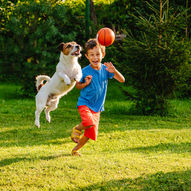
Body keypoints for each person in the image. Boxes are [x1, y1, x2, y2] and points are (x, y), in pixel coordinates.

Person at [71, 38, 125, 156]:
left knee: (90, 134)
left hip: (97, 107)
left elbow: (122, 80)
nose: (95, 58)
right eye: (92, 55)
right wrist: (85, 83)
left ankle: (75, 150)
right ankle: (77, 128)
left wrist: (114, 71)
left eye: (97, 54)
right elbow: (77, 86)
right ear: (87, 56)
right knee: (88, 122)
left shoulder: (106, 70)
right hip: (85, 103)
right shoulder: (84, 71)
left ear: (103, 55)